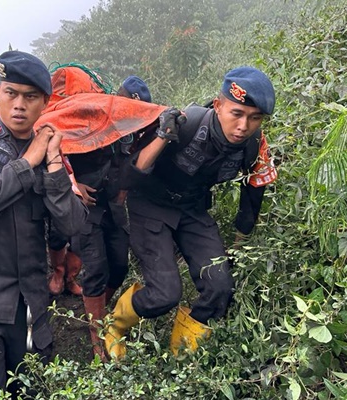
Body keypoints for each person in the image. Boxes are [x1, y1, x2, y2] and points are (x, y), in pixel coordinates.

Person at [105, 66, 277, 359]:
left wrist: (239, 240)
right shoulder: (187, 123)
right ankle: (115, 327)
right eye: (237, 113)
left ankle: (180, 357)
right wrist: (162, 135)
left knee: (220, 287)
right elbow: (131, 176)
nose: (244, 126)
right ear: (219, 105)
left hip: (192, 208)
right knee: (165, 293)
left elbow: (253, 192)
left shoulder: (254, 144)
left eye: (254, 118)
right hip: (151, 205)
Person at [0, 50, 86, 399]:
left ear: (44, 103)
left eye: (30, 97)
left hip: (30, 309)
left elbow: (72, 222)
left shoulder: (52, 151)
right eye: (11, 93)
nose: (19, 105)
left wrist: (52, 162)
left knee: (28, 392)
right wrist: (30, 159)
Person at [69, 75, 153, 360]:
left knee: (118, 265)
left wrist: (125, 189)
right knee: (95, 267)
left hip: (113, 206)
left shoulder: (135, 130)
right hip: (87, 205)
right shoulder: (88, 115)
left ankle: (99, 312)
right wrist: (72, 182)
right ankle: (97, 338)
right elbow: (55, 140)